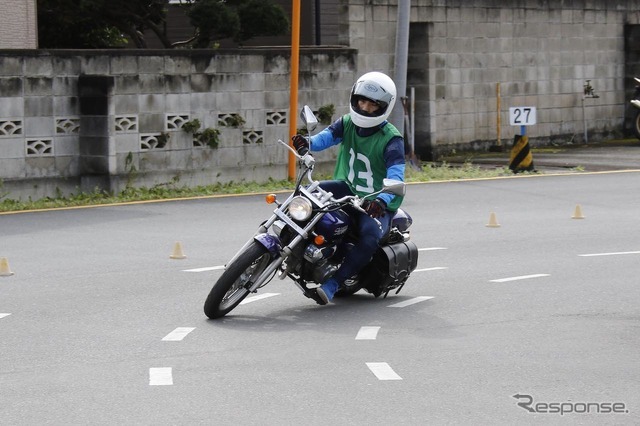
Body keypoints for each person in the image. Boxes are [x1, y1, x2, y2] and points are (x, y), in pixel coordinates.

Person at [291, 71, 406, 305]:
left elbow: (396, 174)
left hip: (374, 201)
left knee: (371, 235)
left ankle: (333, 284)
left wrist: (382, 201)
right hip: (347, 187)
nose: (364, 107)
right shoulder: (347, 122)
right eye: (361, 101)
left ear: (384, 107)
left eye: (372, 105)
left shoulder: (391, 139)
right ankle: (284, 233)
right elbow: (326, 138)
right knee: (307, 193)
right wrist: (307, 143)